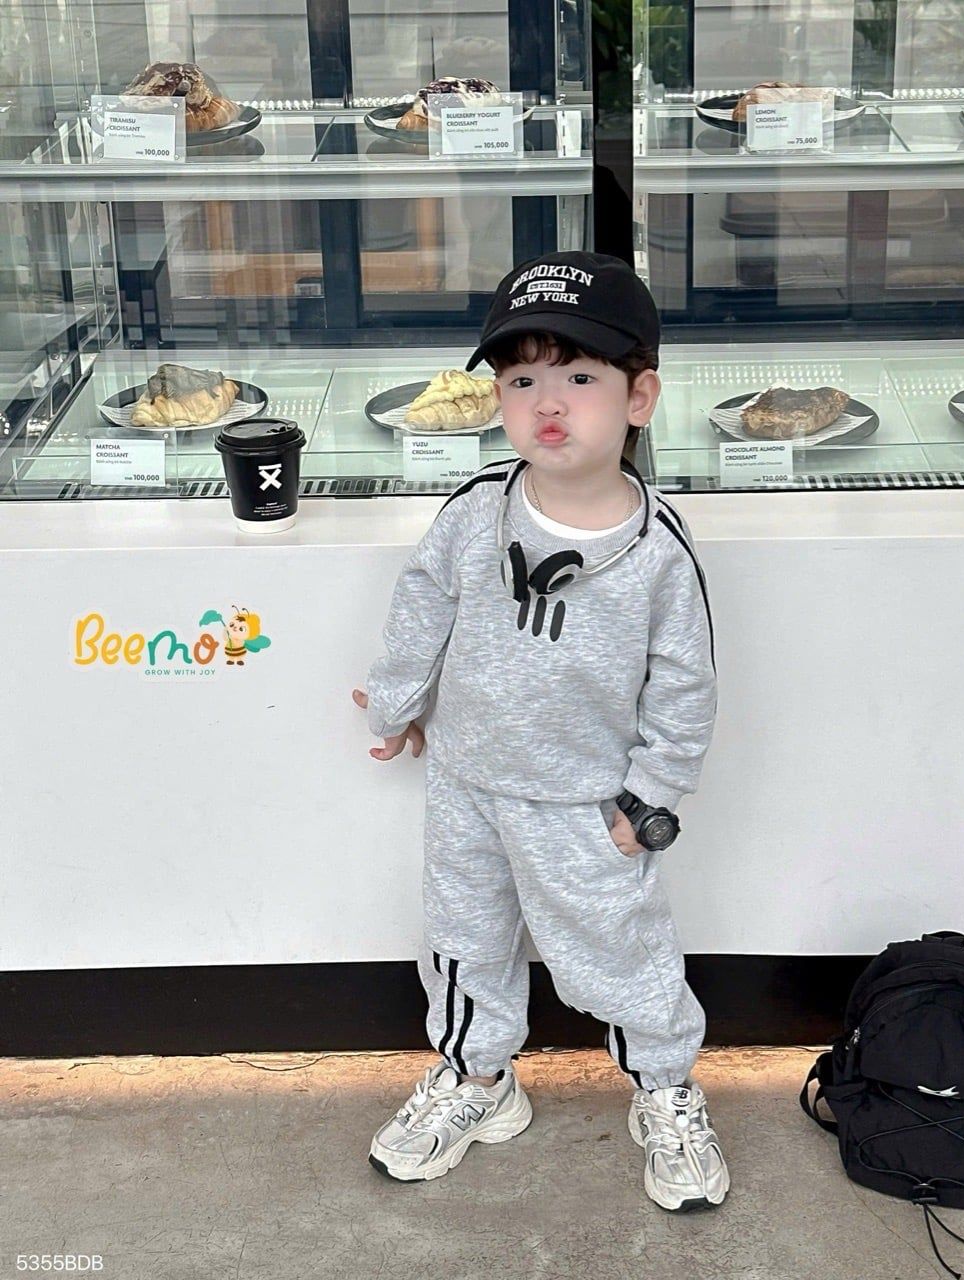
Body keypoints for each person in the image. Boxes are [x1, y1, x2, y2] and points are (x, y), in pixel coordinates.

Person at [352, 251, 727, 1212]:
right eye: (520, 381)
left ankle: (665, 1091)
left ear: (639, 397)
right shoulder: (476, 510)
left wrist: (651, 796)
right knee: (463, 942)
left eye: (579, 378)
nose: (547, 403)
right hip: (467, 786)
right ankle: (477, 1079)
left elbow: (684, 685)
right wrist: (396, 705)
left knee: (621, 951)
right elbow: (422, 606)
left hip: (584, 802)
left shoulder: (657, 553)